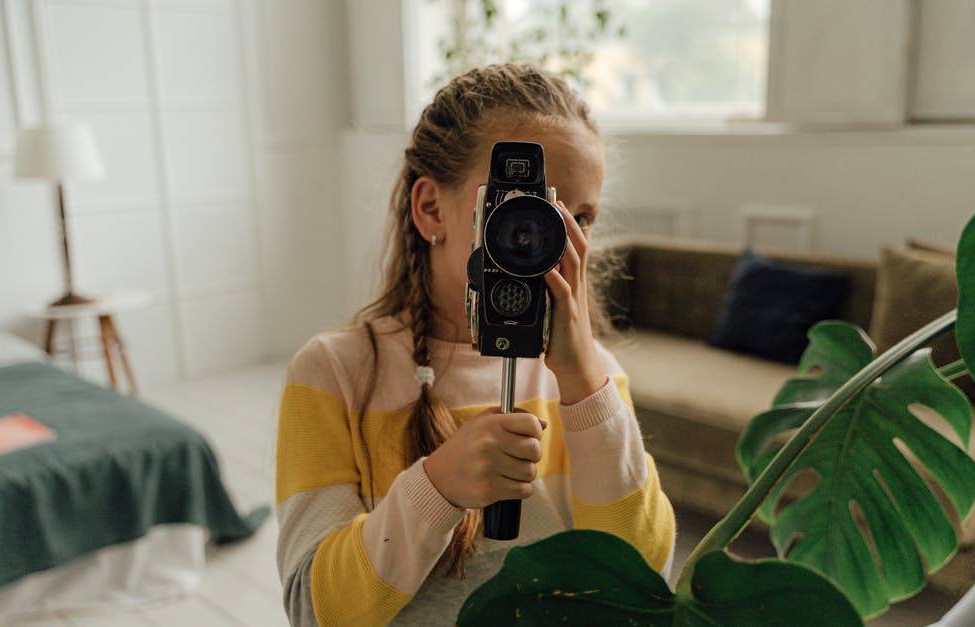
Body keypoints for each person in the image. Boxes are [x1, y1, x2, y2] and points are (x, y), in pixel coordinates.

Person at [274, 63, 677, 626]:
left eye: (577, 217)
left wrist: (587, 387)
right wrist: (435, 488)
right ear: (431, 209)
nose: (547, 239)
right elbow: (314, 611)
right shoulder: (335, 374)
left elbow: (644, 578)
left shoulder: (595, 380)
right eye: (518, 208)